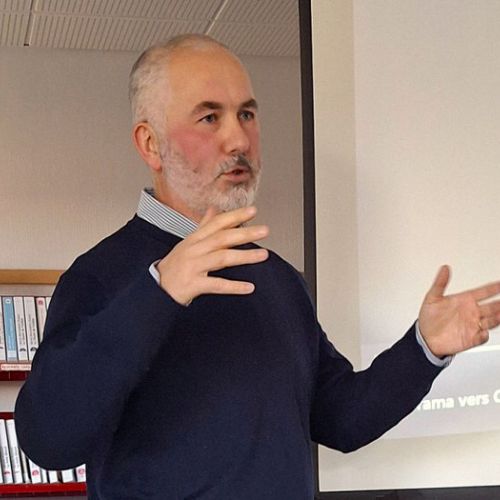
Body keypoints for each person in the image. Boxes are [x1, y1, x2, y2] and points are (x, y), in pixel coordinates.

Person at [15, 34, 500, 500]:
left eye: (246, 114)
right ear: (150, 144)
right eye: (209, 117)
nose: (238, 139)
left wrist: (424, 348)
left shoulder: (280, 279)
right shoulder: (100, 276)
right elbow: (49, 440)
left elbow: (340, 420)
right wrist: (159, 291)